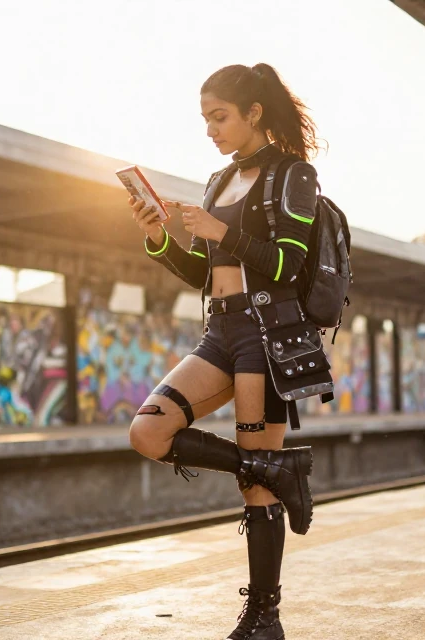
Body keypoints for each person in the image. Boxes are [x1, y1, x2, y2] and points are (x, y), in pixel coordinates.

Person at [127, 63, 324, 640]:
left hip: (268, 336)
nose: (211, 130)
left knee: (254, 490)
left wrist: (223, 233)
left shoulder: (294, 175)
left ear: (253, 113)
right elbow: (204, 273)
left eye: (220, 117)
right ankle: (280, 467)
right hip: (220, 332)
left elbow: (288, 264)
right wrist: (160, 237)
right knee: (148, 432)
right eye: (206, 119)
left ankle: (264, 617)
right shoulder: (218, 181)